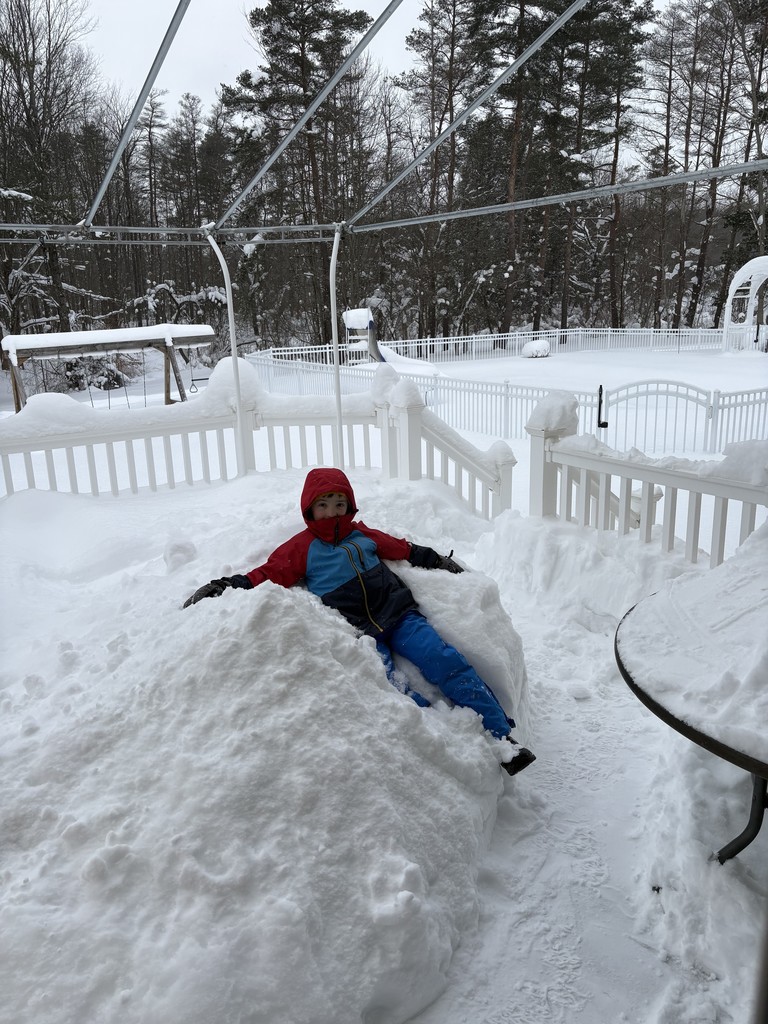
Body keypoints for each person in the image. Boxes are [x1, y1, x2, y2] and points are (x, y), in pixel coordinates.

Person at [184, 467, 535, 777]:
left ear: (349, 505)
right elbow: (268, 573)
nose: (333, 512)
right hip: (361, 630)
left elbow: (402, 549)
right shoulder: (302, 547)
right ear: (309, 509)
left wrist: (437, 560)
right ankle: (444, 739)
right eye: (324, 504)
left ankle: (502, 737)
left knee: (445, 660)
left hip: (399, 615)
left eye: (340, 503)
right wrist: (226, 585)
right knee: (387, 687)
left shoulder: (362, 534)